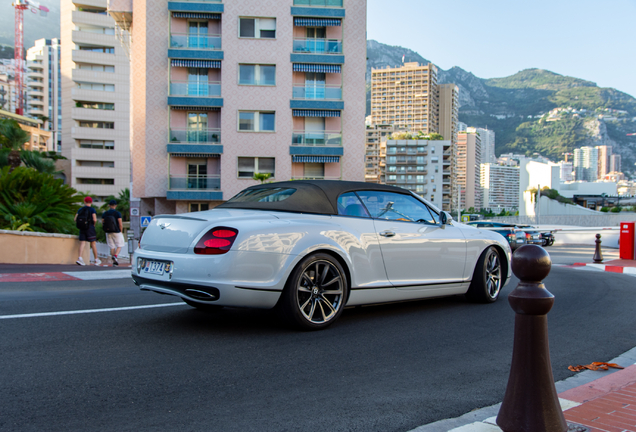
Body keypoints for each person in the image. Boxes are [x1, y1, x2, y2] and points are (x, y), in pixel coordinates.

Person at [75, 196, 100, 266]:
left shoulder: (80, 209)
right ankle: (96, 260)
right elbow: (95, 219)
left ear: (84, 202)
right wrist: (93, 225)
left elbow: (75, 219)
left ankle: (79, 258)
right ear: (91, 202)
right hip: (90, 228)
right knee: (93, 244)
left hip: (82, 228)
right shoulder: (92, 210)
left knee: (82, 243)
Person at [101, 199, 124, 266]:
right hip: (116, 231)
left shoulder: (105, 213)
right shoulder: (117, 213)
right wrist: (121, 230)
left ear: (109, 205)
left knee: (112, 247)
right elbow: (120, 223)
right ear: (115, 206)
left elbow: (103, 222)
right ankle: (116, 256)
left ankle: (114, 261)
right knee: (119, 245)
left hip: (108, 232)